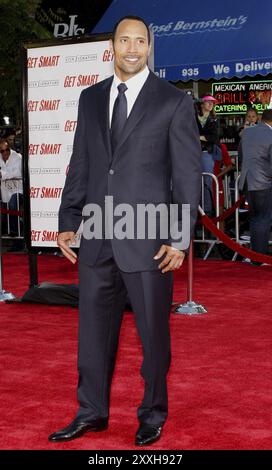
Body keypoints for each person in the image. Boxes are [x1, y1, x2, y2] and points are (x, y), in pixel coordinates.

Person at [49, 15, 202, 446]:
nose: (132, 48)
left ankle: (153, 412)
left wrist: (179, 235)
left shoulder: (172, 101)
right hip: (96, 236)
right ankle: (91, 411)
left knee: (154, 336)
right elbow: (81, 162)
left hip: (149, 239)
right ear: (111, 46)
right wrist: (68, 219)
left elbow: (188, 176)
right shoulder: (90, 98)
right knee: (92, 334)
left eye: (140, 41)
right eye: (124, 40)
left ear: (149, 48)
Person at [239, 109, 272, 264]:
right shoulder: (270, 135)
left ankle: (254, 255)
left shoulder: (246, 133)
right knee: (263, 219)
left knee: (254, 219)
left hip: (247, 181)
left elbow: (240, 155)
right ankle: (259, 258)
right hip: (263, 182)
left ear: (261, 118)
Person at [195, 94, 220, 215]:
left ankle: (208, 211)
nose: (211, 104)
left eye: (212, 103)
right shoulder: (192, 116)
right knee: (193, 182)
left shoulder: (214, 119)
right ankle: (196, 210)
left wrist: (198, 137)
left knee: (207, 182)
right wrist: (203, 138)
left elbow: (215, 138)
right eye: (208, 102)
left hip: (206, 153)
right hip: (193, 153)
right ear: (202, 104)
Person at [0, 138, 23, 237]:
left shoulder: (17, 157)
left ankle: (16, 231)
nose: (5, 152)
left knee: (13, 204)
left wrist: (2, 174)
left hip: (18, 190)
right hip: (4, 191)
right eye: (2, 151)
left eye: (7, 150)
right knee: (5, 210)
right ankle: (12, 230)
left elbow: (17, 173)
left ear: (10, 148)